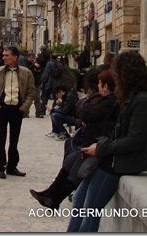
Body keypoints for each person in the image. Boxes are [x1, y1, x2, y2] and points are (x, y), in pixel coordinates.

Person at [67, 51, 147, 232]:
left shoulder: (142, 101)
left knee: (91, 212)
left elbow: (134, 140)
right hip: (110, 158)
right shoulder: (129, 98)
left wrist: (101, 148)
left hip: (121, 162)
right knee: (78, 200)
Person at [31, 70, 117, 209]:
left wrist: (83, 106)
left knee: (76, 167)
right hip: (90, 139)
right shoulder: (99, 99)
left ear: (105, 86)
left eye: (102, 83)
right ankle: (50, 193)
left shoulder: (107, 100)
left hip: (96, 141)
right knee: (70, 161)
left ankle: (55, 198)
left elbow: (86, 112)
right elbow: (81, 110)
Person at [0, 46, 37, 179]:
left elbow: (31, 92)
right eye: (4, 55)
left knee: (14, 139)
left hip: (17, 109)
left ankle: (12, 166)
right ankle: (0, 167)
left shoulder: (26, 73)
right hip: (2, 108)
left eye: (7, 55)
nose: (4, 58)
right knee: (0, 139)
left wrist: (24, 107)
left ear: (15, 57)